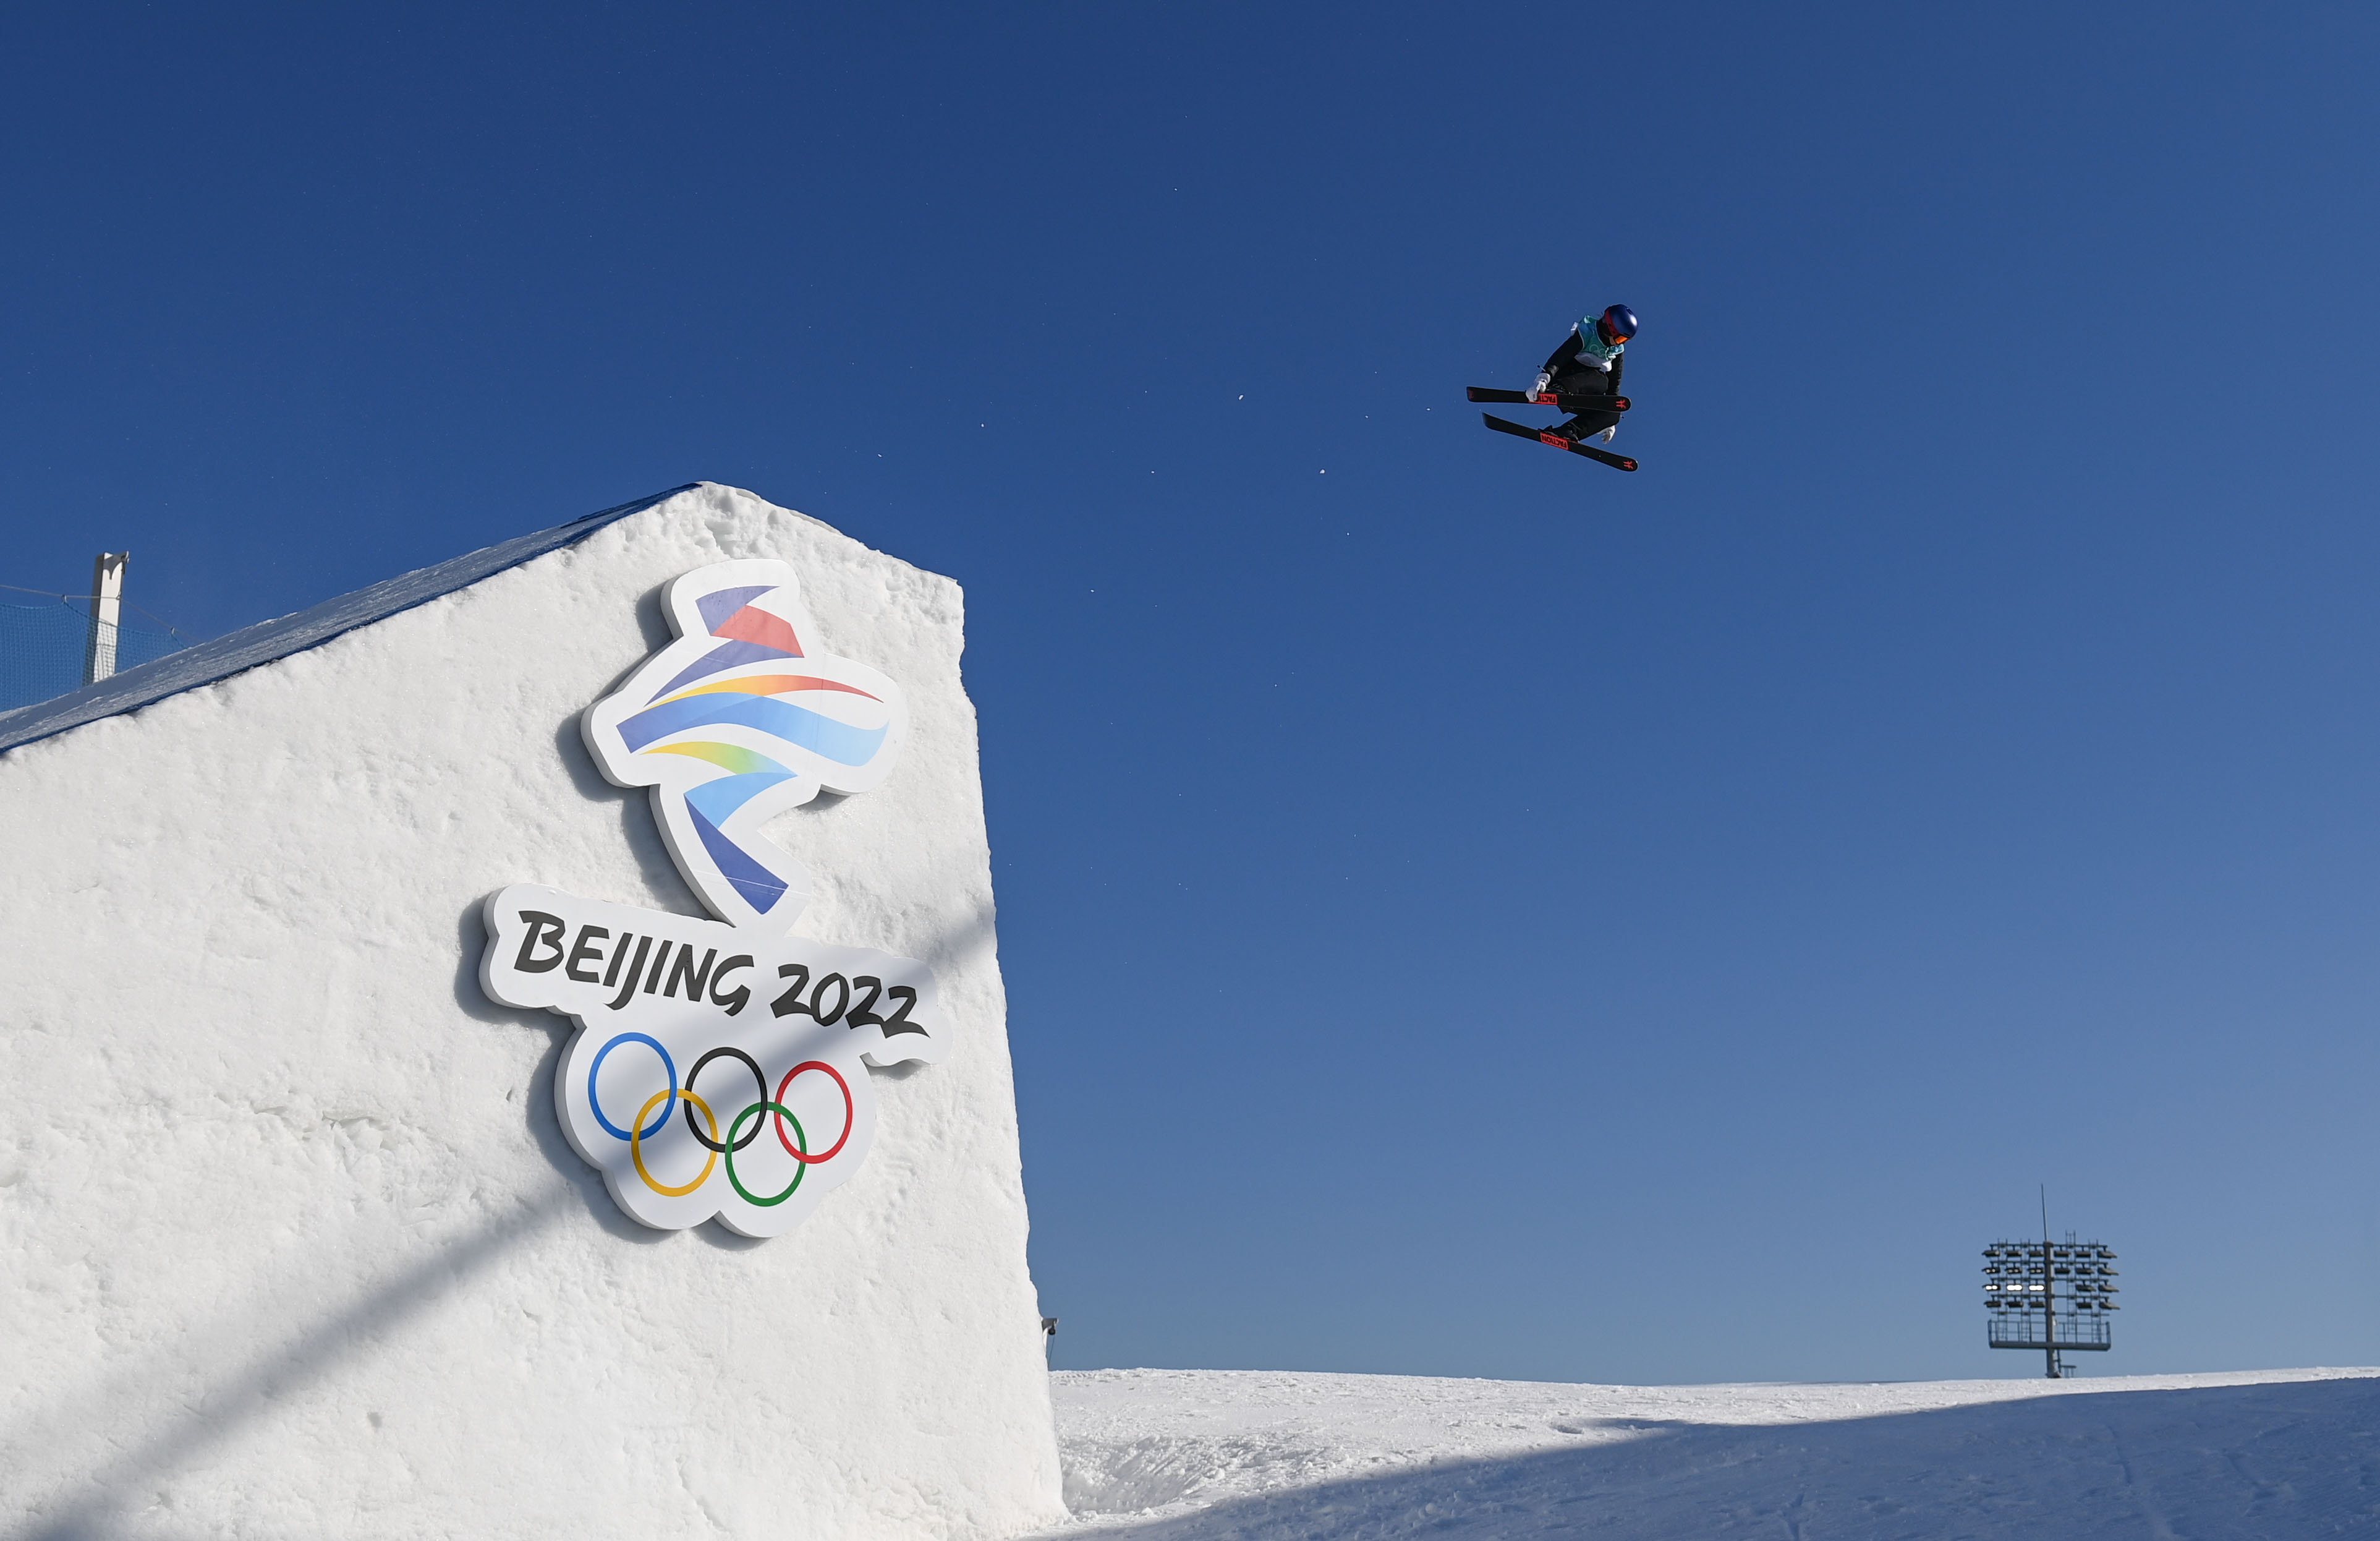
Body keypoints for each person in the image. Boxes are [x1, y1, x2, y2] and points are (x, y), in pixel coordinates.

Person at [1532, 304, 1638, 443]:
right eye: (1620, 339)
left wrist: (1608, 418)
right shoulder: (1588, 333)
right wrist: (1545, 377)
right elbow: (1562, 355)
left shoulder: (1616, 350)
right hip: (1565, 378)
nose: (1619, 344)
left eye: (1624, 341)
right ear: (1611, 328)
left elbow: (1614, 383)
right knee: (1600, 380)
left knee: (1614, 413)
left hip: (1580, 393)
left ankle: (1569, 431)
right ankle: (1559, 390)